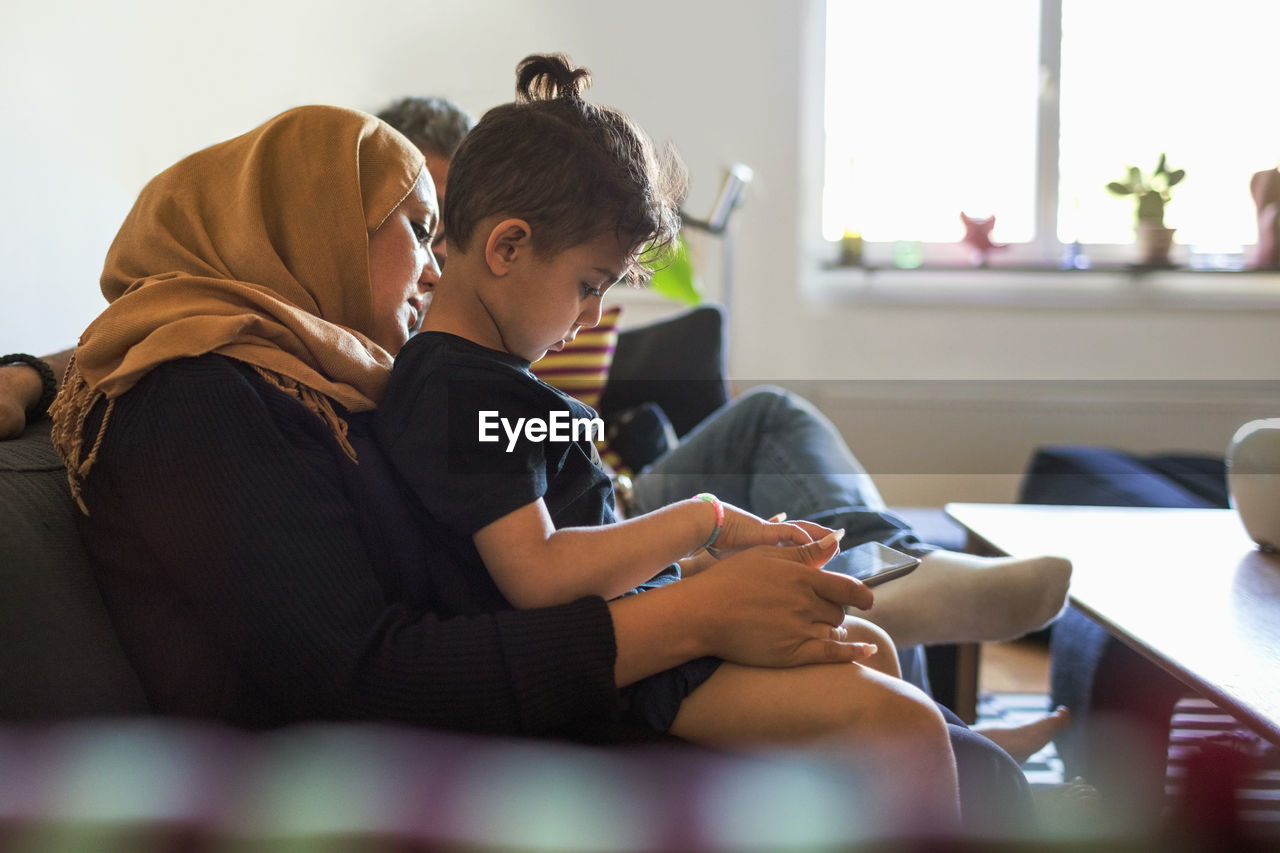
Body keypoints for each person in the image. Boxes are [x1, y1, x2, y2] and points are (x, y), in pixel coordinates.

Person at [42, 86, 969, 829]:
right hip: (404, 767)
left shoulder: (322, 371)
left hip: (510, 707)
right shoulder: (196, 394)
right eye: (412, 227)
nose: (438, 266)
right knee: (902, 735)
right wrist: (693, 613)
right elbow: (364, 678)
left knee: (903, 715)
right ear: (305, 219)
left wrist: (691, 576)